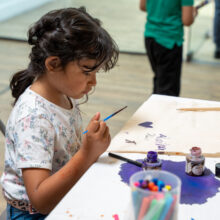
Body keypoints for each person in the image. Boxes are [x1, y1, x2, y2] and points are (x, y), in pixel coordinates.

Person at [0, 7, 119, 219]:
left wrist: (88, 146)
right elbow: (40, 200)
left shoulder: (63, 94)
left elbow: (61, 151)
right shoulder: (34, 118)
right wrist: (86, 154)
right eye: (87, 70)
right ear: (53, 64)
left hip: (64, 197)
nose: (93, 81)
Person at [139, 0, 197, 96]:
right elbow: (187, 20)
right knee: (168, 90)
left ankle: (155, 107)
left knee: (159, 79)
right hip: (169, 42)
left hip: (150, 38)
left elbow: (143, 6)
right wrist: (193, 13)